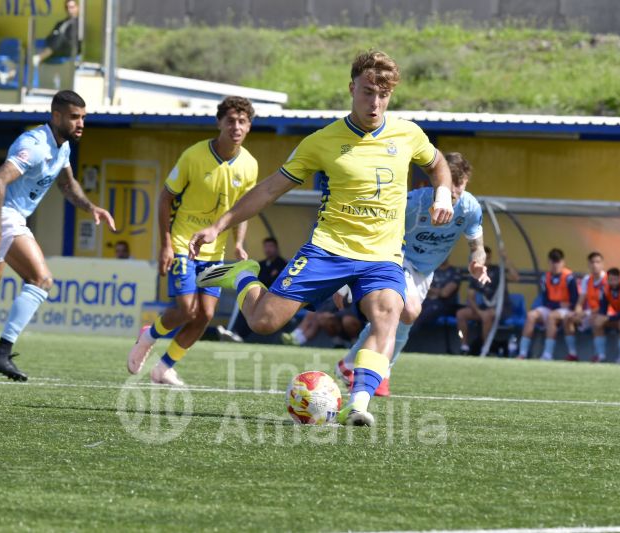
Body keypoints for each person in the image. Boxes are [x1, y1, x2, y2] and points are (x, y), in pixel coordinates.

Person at [189, 51, 457, 426]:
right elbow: (269, 189)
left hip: (382, 256)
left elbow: (438, 164)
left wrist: (442, 195)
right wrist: (218, 226)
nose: (375, 103)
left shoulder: (408, 134)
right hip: (329, 250)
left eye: (383, 95)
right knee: (264, 321)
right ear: (351, 89)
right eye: (367, 92)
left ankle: (357, 404)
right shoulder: (322, 141)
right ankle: (244, 275)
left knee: (388, 315)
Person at [0, 90, 115, 381]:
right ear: (56, 116)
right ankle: (1, 354)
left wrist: (91, 207)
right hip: (3, 215)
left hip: (0, 217)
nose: (81, 124)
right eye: (74, 117)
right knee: (42, 280)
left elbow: (67, 185)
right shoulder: (35, 145)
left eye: (83, 118)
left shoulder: (62, 146)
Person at [127, 97, 258, 385]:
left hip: (215, 253)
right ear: (219, 123)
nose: (236, 127)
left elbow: (242, 210)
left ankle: (164, 367)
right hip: (183, 243)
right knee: (187, 309)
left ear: (249, 126)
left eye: (242, 121)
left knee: (205, 315)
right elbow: (165, 198)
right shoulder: (193, 156)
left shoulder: (250, 165)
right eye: (230, 121)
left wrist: (238, 243)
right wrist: (165, 244)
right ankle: (148, 336)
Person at [336, 152, 489, 396]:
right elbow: (374, 232)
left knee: (403, 319)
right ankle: (380, 371)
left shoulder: (470, 208)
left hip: (425, 271)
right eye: (448, 185)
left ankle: (350, 365)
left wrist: (478, 262)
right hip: (397, 258)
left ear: (465, 182)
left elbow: (477, 247)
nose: (453, 193)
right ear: (436, 180)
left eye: (458, 186)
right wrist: (347, 280)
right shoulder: (414, 202)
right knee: (409, 310)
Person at [217, 236, 287, 342]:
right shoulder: (260, 264)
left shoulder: (282, 264)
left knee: (251, 305)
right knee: (244, 303)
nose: (268, 249)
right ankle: (235, 333)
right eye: (266, 246)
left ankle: (238, 334)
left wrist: (265, 279)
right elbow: (257, 279)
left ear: (276, 248)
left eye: (271, 246)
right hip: (258, 294)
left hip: (272, 297)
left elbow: (273, 282)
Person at [516, 248, 578, 360]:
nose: (555, 265)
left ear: (563, 262)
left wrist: (563, 306)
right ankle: (522, 353)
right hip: (553, 306)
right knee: (531, 315)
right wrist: (558, 304)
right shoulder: (545, 277)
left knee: (551, 316)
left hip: (566, 309)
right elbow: (545, 300)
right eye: (553, 261)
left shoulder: (569, 277)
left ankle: (547, 354)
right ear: (549, 262)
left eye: (558, 261)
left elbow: (574, 300)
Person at [456, 246, 519, 356]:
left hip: (502, 308)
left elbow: (515, 277)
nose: (486, 261)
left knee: (487, 315)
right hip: (485, 308)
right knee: (461, 314)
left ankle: (486, 349)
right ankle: (464, 347)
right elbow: (470, 297)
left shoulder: (497, 270)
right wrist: (479, 311)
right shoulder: (476, 273)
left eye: (488, 258)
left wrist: (506, 259)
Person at [281, 288, 364, 348]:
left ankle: (298, 339)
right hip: (336, 319)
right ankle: (296, 337)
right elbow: (329, 305)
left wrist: (334, 315)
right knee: (316, 315)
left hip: (355, 319)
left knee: (347, 320)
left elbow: (353, 309)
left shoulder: (351, 288)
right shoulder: (335, 288)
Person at [564, 251, 606, 361]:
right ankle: (572, 354)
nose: (595, 265)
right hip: (590, 312)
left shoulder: (606, 280)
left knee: (596, 320)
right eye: (592, 262)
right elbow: (581, 300)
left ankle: (600, 355)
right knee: (568, 318)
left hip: (605, 312)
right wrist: (577, 311)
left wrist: (586, 313)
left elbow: (605, 305)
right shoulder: (587, 280)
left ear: (602, 264)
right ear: (588, 264)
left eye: (598, 262)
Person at [591, 267, 620, 363]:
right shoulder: (605, 289)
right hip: (617, 316)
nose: (613, 282)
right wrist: (601, 317)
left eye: (615, 279)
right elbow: (603, 309)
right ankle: (601, 355)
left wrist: (608, 318)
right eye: (611, 280)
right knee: (597, 321)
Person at [34, 0, 80, 66]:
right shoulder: (60, 23)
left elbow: (74, 38)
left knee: (59, 36)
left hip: (70, 48)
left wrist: (59, 35)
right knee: (54, 37)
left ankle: (40, 57)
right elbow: (50, 36)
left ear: (77, 8)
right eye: (67, 8)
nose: (69, 10)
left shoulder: (80, 23)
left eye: (72, 7)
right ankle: (40, 57)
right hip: (57, 47)